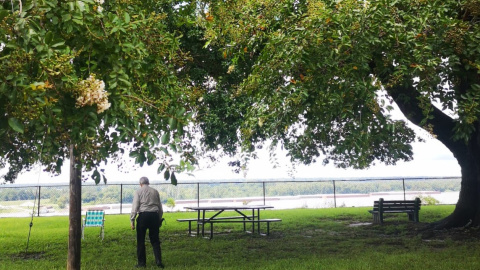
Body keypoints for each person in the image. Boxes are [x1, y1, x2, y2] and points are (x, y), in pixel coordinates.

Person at [130, 176, 164, 268]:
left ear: (140, 184)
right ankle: (158, 261)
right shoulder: (155, 191)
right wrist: (159, 218)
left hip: (143, 216)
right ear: (148, 183)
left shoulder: (138, 191)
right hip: (154, 216)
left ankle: (142, 263)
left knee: (140, 240)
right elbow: (160, 207)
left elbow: (135, 206)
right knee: (155, 240)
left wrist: (132, 220)